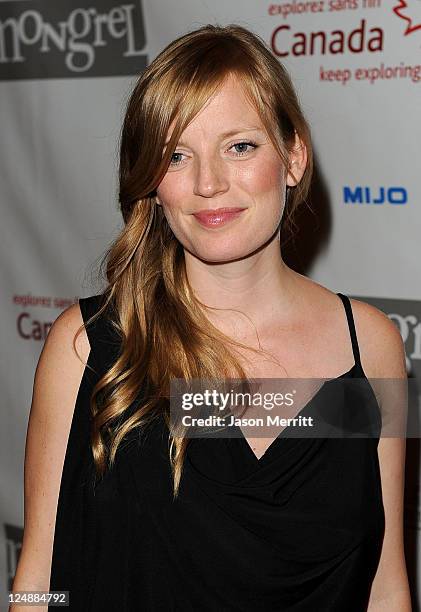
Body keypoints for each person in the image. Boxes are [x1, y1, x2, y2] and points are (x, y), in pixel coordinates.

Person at [10, 23, 411, 612]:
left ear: (293, 156)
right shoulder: (91, 347)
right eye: (177, 155)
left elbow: (384, 583)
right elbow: (40, 574)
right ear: (152, 181)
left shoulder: (368, 346)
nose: (208, 183)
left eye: (240, 146)